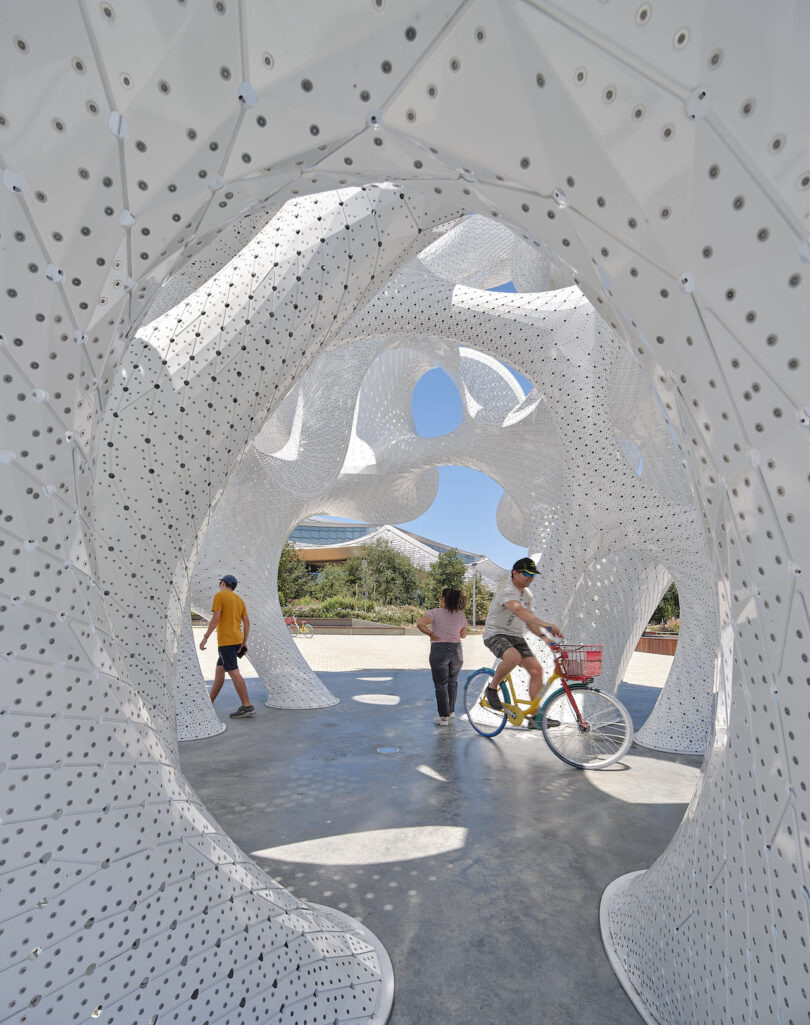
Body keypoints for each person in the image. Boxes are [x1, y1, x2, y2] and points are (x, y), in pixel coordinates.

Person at [482, 557, 562, 713]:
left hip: (516, 636)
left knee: (536, 670)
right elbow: (518, 610)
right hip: (496, 634)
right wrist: (546, 624)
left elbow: (528, 620)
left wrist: (545, 637)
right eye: (526, 573)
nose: (530, 577)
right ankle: (492, 688)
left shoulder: (527, 595)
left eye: (533, 574)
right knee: (513, 657)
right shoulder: (507, 590)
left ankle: (535, 716)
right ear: (514, 573)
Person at [199, 574, 254, 718]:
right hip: (237, 640)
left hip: (226, 642)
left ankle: (247, 706)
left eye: (221, 583)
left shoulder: (220, 596)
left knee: (234, 672)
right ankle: (209, 702)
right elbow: (247, 622)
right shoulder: (239, 600)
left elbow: (216, 617)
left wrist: (205, 638)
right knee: (219, 671)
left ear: (223, 583)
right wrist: (244, 641)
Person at [417, 587, 468, 726]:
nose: (439, 600)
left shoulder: (434, 612)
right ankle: (451, 713)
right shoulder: (461, 615)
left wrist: (431, 634)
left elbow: (420, 623)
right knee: (453, 682)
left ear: (444, 599)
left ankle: (443, 717)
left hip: (439, 650)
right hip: (456, 651)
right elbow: (463, 635)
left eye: (440, 598)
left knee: (441, 684)